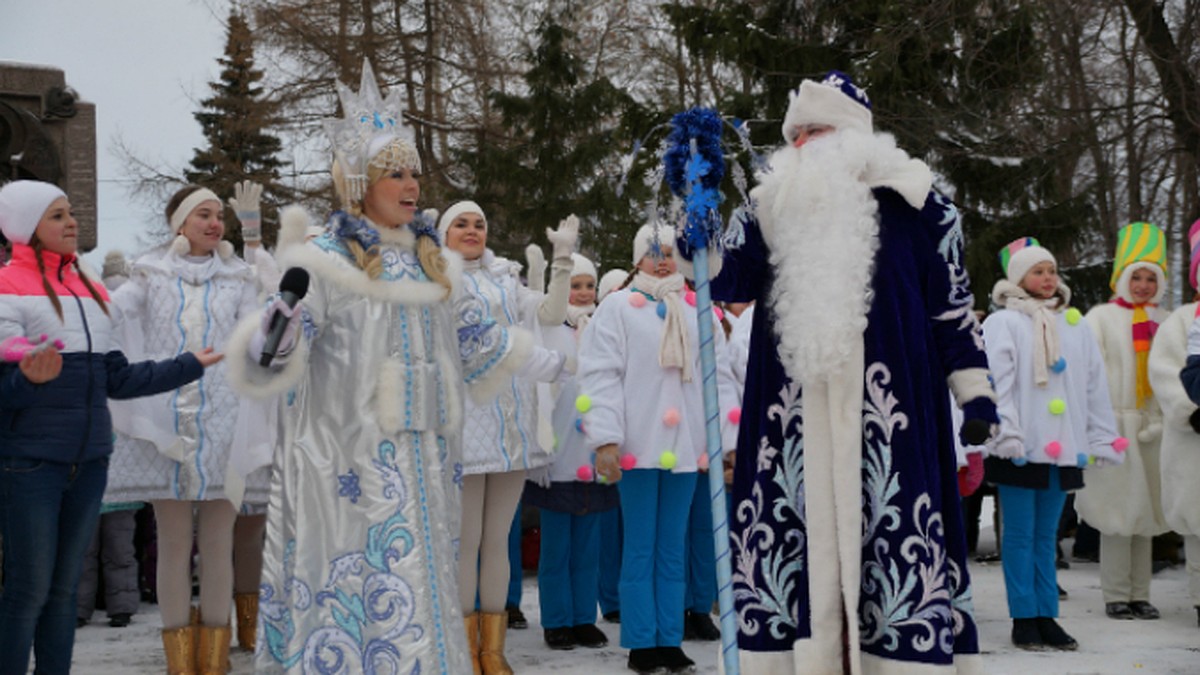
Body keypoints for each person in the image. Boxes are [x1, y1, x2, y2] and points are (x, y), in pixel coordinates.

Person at [226, 61, 547, 675]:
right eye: (393, 173)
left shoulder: (432, 262)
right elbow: (274, 353)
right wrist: (283, 318)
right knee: (363, 581)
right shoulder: (323, 258)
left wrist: (544, 355)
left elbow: (473, 340)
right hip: (347, 466)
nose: (410, 185)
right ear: (357, 184)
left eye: (413, 173)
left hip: (426, 465)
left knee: (425, 578)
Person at [700, 71, 1000, 673]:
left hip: (895, 416)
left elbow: (952, 307)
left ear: (856, 136)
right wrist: (698, 217)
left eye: (820, 129)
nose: (806, 142)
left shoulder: (920, 204)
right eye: (797, 132)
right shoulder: (767, 205)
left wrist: (974, 391)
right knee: (788, 547)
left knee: (893, 541)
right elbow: (723, 279)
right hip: (789, 417)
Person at [0, 180, 217, 675]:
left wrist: (188, 364)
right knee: (27, 589)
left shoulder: (90, 287)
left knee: (61, 589)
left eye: (69, 212)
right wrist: (28, 382)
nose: (71, 222)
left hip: (92, 461)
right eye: (56, 216)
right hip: (31, 463)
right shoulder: (6, 286)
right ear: (26, 228)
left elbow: (117, 378)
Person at [104, 180, 273, 673]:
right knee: (174, 541)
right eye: (203, 214)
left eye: (218, 214)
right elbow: (110, 312)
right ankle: (180, 660)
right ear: (180, 223)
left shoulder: (238, 278)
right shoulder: (149, 274)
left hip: (224, 418)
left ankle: (215, 657)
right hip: (166, 412)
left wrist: (258, 248)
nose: (214, 222)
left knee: (219, 542)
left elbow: (257, 334)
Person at [577, 221, 739, 674]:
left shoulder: (700, 311)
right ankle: (641, 642)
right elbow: (600, 375)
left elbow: (719, 379)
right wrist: (605, 438)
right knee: (640, 547)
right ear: (637, 259)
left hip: (687, 449)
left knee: (673, 547)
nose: (662, 258)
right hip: (638, 445)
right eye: (652, 251)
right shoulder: (616, 309)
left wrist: (727, 443)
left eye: (668, 250)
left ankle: (670, 637)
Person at [438, 200, 573, 674]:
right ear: (444, 232)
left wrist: (561, 262)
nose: (472, 230)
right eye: (461, 224)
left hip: (510, 425)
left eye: (479, 224)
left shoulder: (503, 276)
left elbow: (553, 314)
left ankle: (492, 651)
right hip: (462, 426)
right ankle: (459, 649)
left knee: (498, 540)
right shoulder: (436, 277)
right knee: (465, 540)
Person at [983, 237, 1126, 650]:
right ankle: (1023, 616)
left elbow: (1093, 386)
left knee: (1047, 536)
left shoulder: (1074, 324)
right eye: (1037, 271)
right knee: (1019, 535)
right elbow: (999, 383)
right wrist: (1005, 430)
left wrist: (1101, 435)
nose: (1047, 278)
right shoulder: (1004, 322)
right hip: (1021, 445)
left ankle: (1047, 614)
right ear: (1018, 278)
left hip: (1061, 447)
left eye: (1051, 271)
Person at [523, 252, 619, 651]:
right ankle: (557, 619)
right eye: (574, 285)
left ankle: (584, 617)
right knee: (557, 546)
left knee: (588, 545)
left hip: (594, 453)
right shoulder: (549, 328)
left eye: (588, 285)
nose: (581, 293)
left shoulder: (604, 327)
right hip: (558, 454)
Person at [1076, 223, 1170, 620]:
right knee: (1116, 514)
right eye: (1137, 276)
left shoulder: (1164, 320)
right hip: (1114, 426)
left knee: (1147, 513)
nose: (1144, 285)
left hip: (1154, 428)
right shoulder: (1100, 318)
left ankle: (1140, 592)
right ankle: (1116, 592)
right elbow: (1087, 372)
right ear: (1122, 277)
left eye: (1152, 278)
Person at [75, 252, 142, 631]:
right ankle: (79, 608)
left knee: (116, 543)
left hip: (121, 468)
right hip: (89, 466)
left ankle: (121, 605)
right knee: (88, 547)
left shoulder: (118, 354)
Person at [1156, 218, 1200, 629]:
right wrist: (1189, 410)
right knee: (1198, 522)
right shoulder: (1181, 320)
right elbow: (1165, 370)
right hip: (1192, 441)